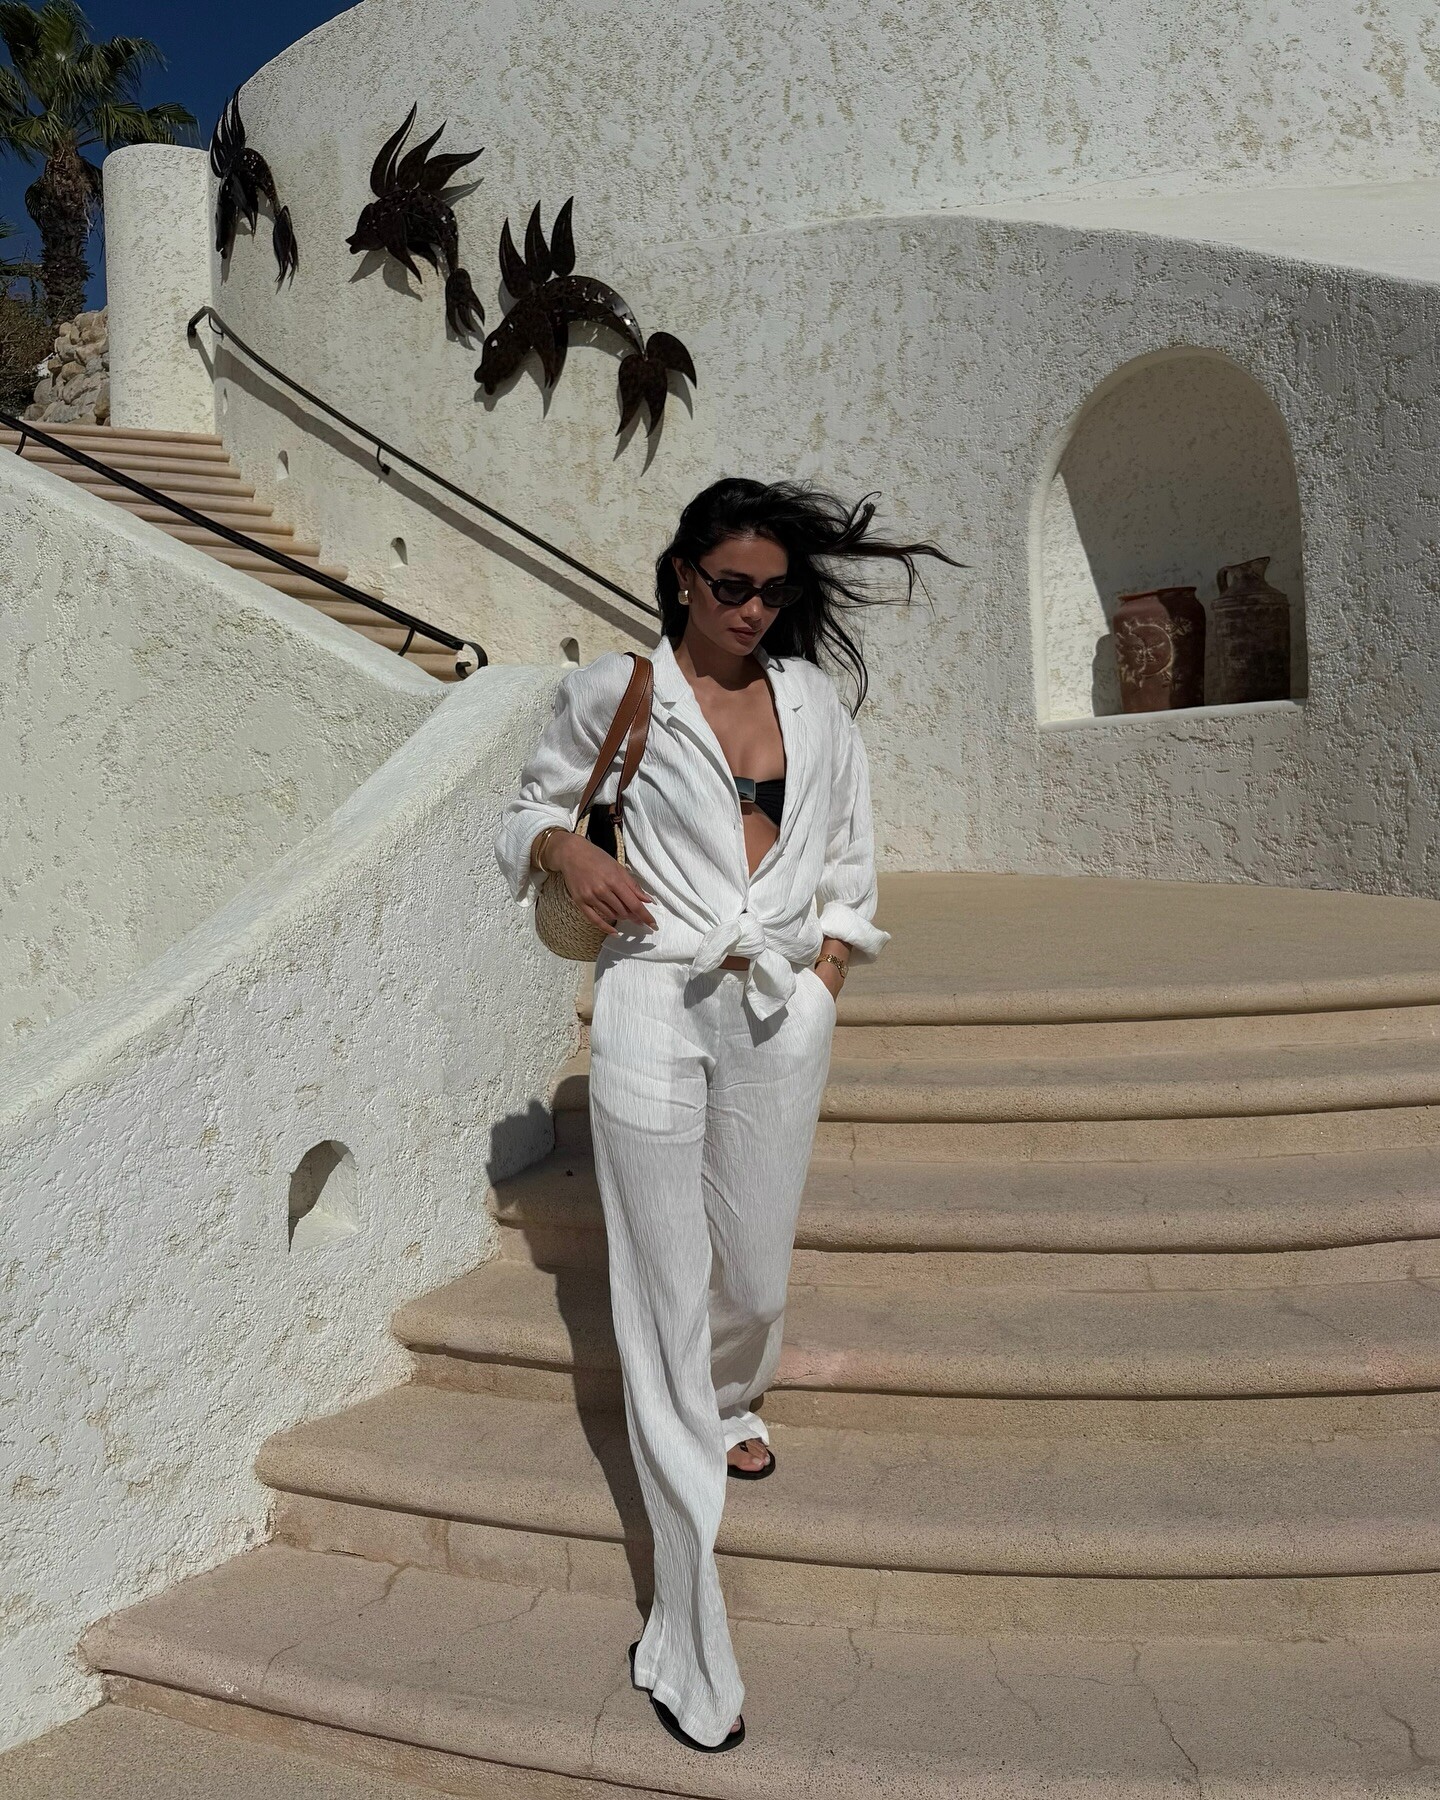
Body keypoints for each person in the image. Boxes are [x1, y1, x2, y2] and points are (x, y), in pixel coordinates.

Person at [493, 477, 953, 1751]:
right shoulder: (618, 689)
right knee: (659, 1292)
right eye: (732, 585)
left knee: (750, 1266)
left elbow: (849, 866)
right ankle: (686, 1625)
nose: (753, 610)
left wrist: (823, 983)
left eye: (773, 590)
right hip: (651, 994)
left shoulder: (814, 706)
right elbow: (529, 807)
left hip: (773, 1008)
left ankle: (736, 1395)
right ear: (683, 577)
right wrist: (569, 850)